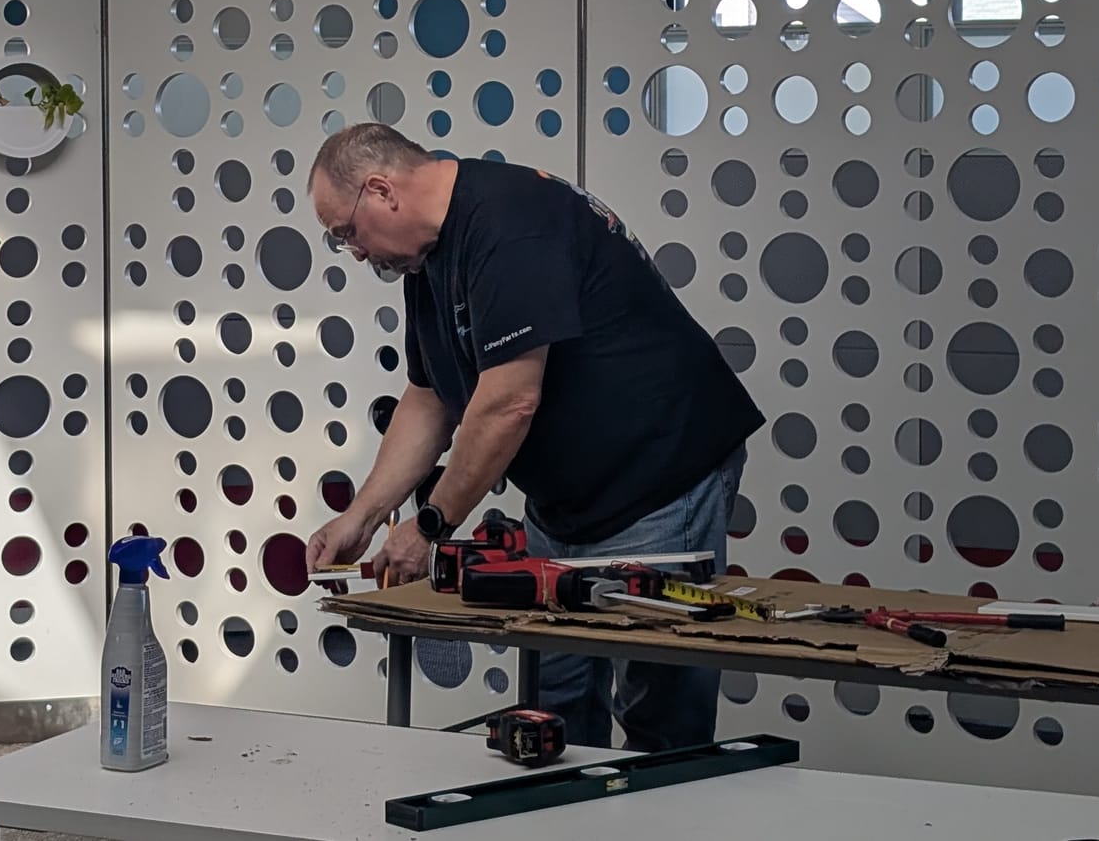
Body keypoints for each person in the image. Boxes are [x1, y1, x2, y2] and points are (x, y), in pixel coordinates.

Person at [302, 123, 765, 752]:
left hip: (660, 476)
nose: (354, 252)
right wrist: (359, 517)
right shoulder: (428, 258)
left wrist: (431, 524)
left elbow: (510, 402)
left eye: (346, 232)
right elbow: (430, 397)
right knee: (554, 707)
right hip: (567, 503)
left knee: (660, 719)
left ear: (382, 191)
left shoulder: (510, 224)